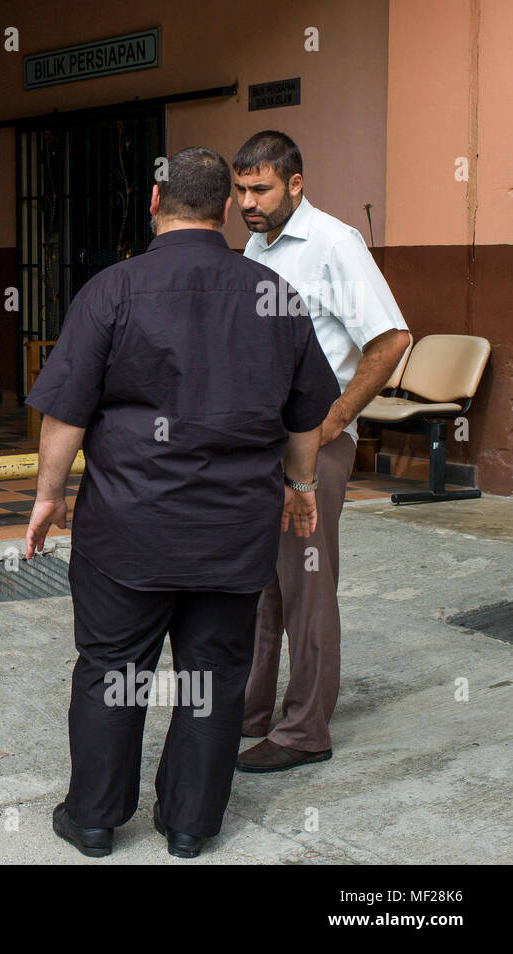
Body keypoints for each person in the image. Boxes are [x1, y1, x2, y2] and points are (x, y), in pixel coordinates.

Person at [24, 147, 340, 859]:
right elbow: (304, 418)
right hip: (232, 531)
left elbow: (66, 414)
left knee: (111, 669)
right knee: (214, 675)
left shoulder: (112, 290)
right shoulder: (274, 294)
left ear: (154, 202)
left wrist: (48, 496)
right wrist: (299, 488)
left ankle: (95, 820)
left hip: (127, 528)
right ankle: (192, 826)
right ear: (225, 207)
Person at [232, 131, 411, 773]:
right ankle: (251, 712)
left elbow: (391, 340)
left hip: (315, 447)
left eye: (260, 189)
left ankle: (306, 730)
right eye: (240, 190)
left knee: (306, 583)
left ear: (295, 184)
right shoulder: (256, 246)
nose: (247, 202)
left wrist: (334, 419)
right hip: (264, 442)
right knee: (261, 584)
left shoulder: (335, 243)